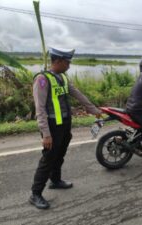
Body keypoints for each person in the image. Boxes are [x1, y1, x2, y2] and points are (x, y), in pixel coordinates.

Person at [29, 47, 101, 209]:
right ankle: (35, 194)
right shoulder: (42, 79)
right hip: (52, 126)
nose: (69, 65)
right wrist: (46, 134)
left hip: (65, 124)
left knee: (59, 154)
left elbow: (77, 93)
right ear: (58, 61)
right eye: (67, 62)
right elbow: (39, 109)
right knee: (48, 158)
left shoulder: (63, 77)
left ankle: (55, 180)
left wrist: (94, 110)